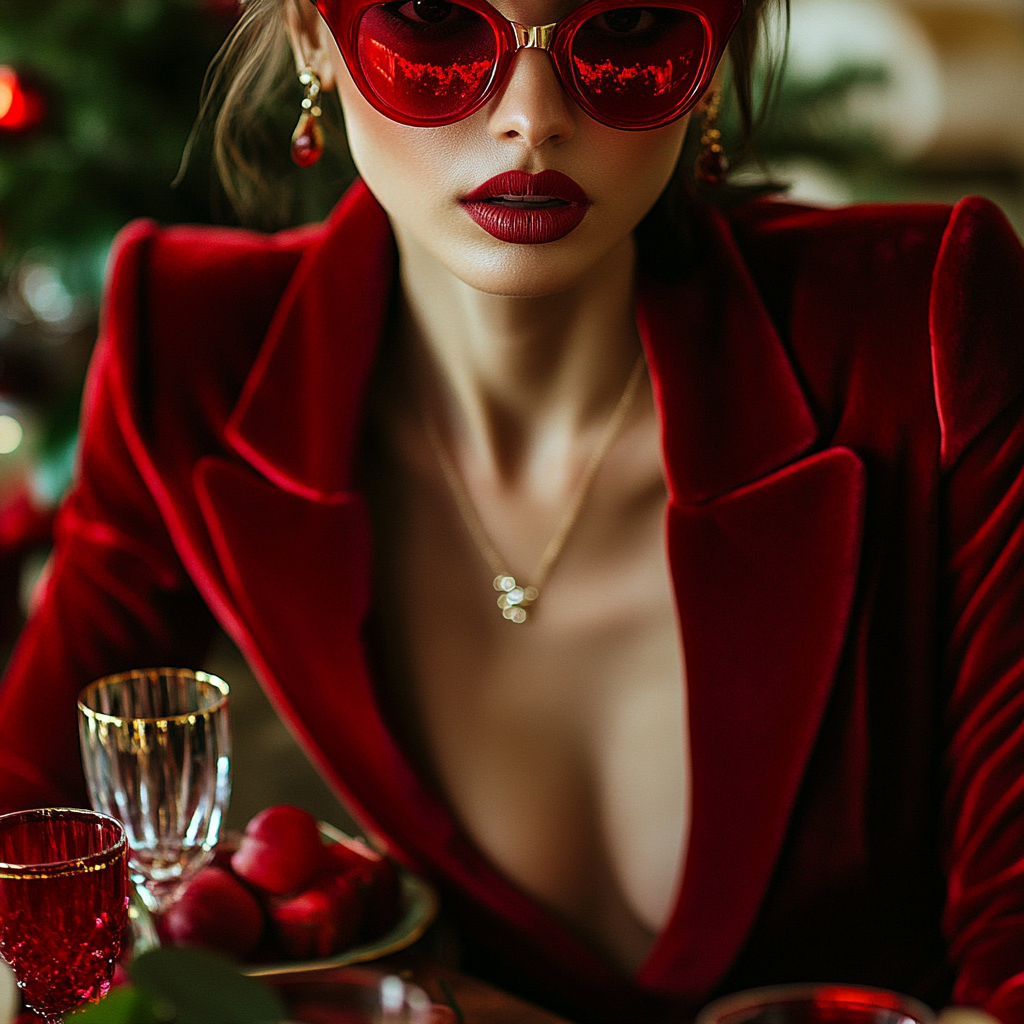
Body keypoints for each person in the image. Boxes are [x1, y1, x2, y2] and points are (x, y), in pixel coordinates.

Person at [0, 0, 1021, 1018]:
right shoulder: (192, 349)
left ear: (711, 58)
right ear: (314, 34)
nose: (532, 117)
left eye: (626, 32)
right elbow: (21, 826)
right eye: (434, 22)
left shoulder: (924, 331)